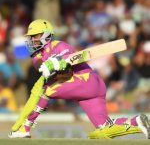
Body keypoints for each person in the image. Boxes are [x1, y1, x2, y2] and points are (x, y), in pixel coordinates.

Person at [8, 19, 150, 139]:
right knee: (104, 129)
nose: (32, 40)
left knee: (47, 90)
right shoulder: (37, 57)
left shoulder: (60, 46)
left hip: (86, 80)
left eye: (35, 36)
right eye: (31, 37)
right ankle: (137, 123)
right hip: (89, 92)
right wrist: (47, 65)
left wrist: (58, 62)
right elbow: (39, 64)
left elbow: (69, 67)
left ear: (46, 35)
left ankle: (25, 129)